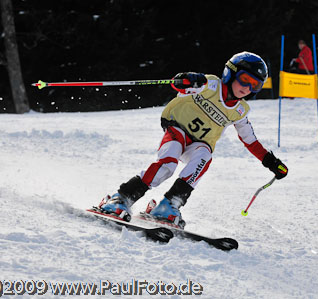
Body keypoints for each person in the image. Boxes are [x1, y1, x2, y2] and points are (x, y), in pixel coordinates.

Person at [98, 51, 288, 228]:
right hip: (177, 128)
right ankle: (120, 198)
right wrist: (187, 79)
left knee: (204, 156)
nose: (247, 88)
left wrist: (271, 162)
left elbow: (250, 141)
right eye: (245, 80)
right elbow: (179, 84)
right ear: (230, 74)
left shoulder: (240, 111)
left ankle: (168, 205)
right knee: (168, 165)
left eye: (254, 85)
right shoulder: (211, 85)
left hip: (198, 143)